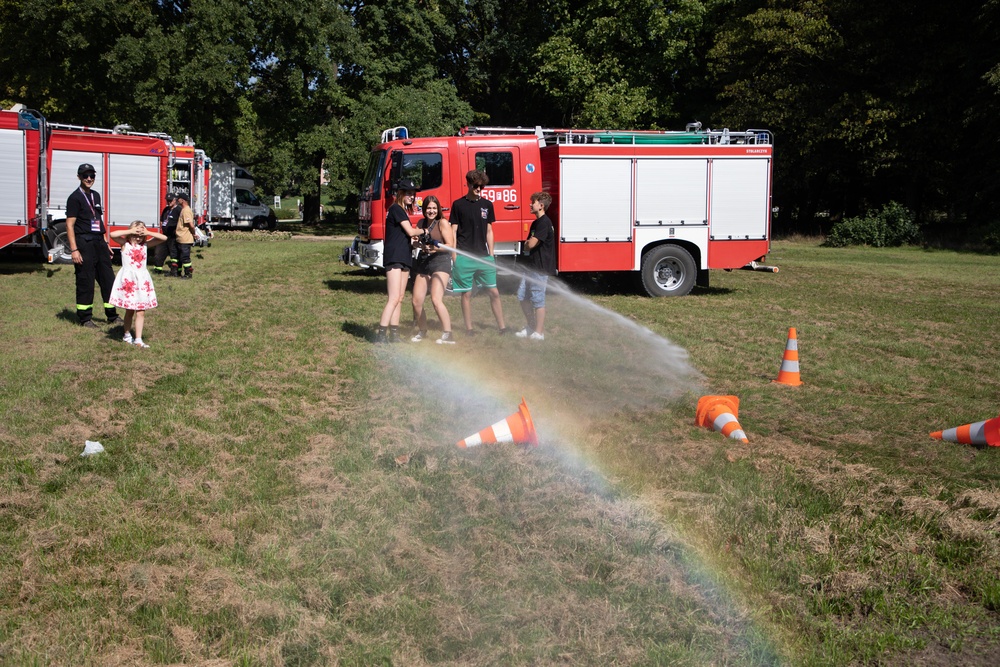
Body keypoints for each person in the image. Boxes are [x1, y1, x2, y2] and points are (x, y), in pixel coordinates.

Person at [449, 169, 507, 336]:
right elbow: (453, 231)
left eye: (482, 187)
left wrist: (492, 254)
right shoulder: (458, 205)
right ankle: (469, 329)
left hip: (484, 256)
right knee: (466, 294)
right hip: (464, 256)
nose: (479, 189)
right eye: (476, 186)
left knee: (494, 292)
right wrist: (454, 255)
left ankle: (502, 327)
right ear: (468, 184)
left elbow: (489, 230)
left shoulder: (487, 205)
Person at [65, 163, 122, 328]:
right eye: (85, 176)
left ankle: (112, 315)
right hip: (84, 243)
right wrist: (74, 250)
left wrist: (105, 242)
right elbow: (69, 225)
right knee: (86, 280)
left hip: (99, 242)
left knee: (108, 279)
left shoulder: (96, 196)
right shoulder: (74, 198)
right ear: (79, 177)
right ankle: (85, 318)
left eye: (92, 176)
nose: (89, 179)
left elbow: (98, 220)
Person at [375, 178, 422, 343]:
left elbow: (407, 237)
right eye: (408, 193)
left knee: (400, 297)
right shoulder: (396, 208)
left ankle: (394, 334)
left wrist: (420, 242)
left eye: (413, 194)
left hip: (404, 257)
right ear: (400, 194)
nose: (411, 197)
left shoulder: (402, 211)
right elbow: (410, 232)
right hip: (394, 256)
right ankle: (381, 335)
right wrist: (427, 230)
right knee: (393, 297)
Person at [109, 221, 166, 348]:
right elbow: (112, 234)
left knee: (141, 311)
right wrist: (130, 231)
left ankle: (138, 339)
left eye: (141, 234)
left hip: (142, 281)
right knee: (130, 310)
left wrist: (148, 232)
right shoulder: (125, 244)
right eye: (136, 233)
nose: (138, 237)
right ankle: (127, 333)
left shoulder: (145, 245)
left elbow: (164, 238)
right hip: (129, 281)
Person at [409, 195, 456, 345]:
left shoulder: (442, 223)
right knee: (416, 301)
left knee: (436, 299)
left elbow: (450, 245)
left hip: (440, 262)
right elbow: (413, 239)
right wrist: (417, 244)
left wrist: (434, 248)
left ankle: (448, 334)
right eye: (429, 208)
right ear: (424, 209)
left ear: (438, 209)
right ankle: (422, 330)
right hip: (424, 262)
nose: (431, 211)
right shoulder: (421, 223)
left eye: (434, 208)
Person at [516, 192, 557, 341]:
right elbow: (528, 245)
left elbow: (530, 244)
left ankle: (539, 333)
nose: (529, 204)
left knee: (538, 300)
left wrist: (529, 243)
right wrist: (529, 243)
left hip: (540, 268)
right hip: (531, 267)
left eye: (532, 202)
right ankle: (531, 326)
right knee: (522, 296)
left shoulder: (544, 223)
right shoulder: (536, 223)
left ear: (541, 205)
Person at [152, 192, 178, 275]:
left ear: (175, 200)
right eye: (167, 200)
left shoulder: (178, 210)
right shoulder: (166, 210)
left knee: (174, 254)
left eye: (170, 200)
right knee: (159, 252)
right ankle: (157, 269)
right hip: (164, 235)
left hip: (173, 236)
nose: (169, 202)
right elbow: (162, 220)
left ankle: (174, 271)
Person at [174, 193, 197, 279]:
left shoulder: (186, 210)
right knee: (180, 257)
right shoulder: (183, 210)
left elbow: (191, 225)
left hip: (185, 239)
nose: (177, 200)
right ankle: (179, 272)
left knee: (185, 257)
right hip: (181, 238)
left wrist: (194, 234)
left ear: (182, 200)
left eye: (178, 198)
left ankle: (188, 274)